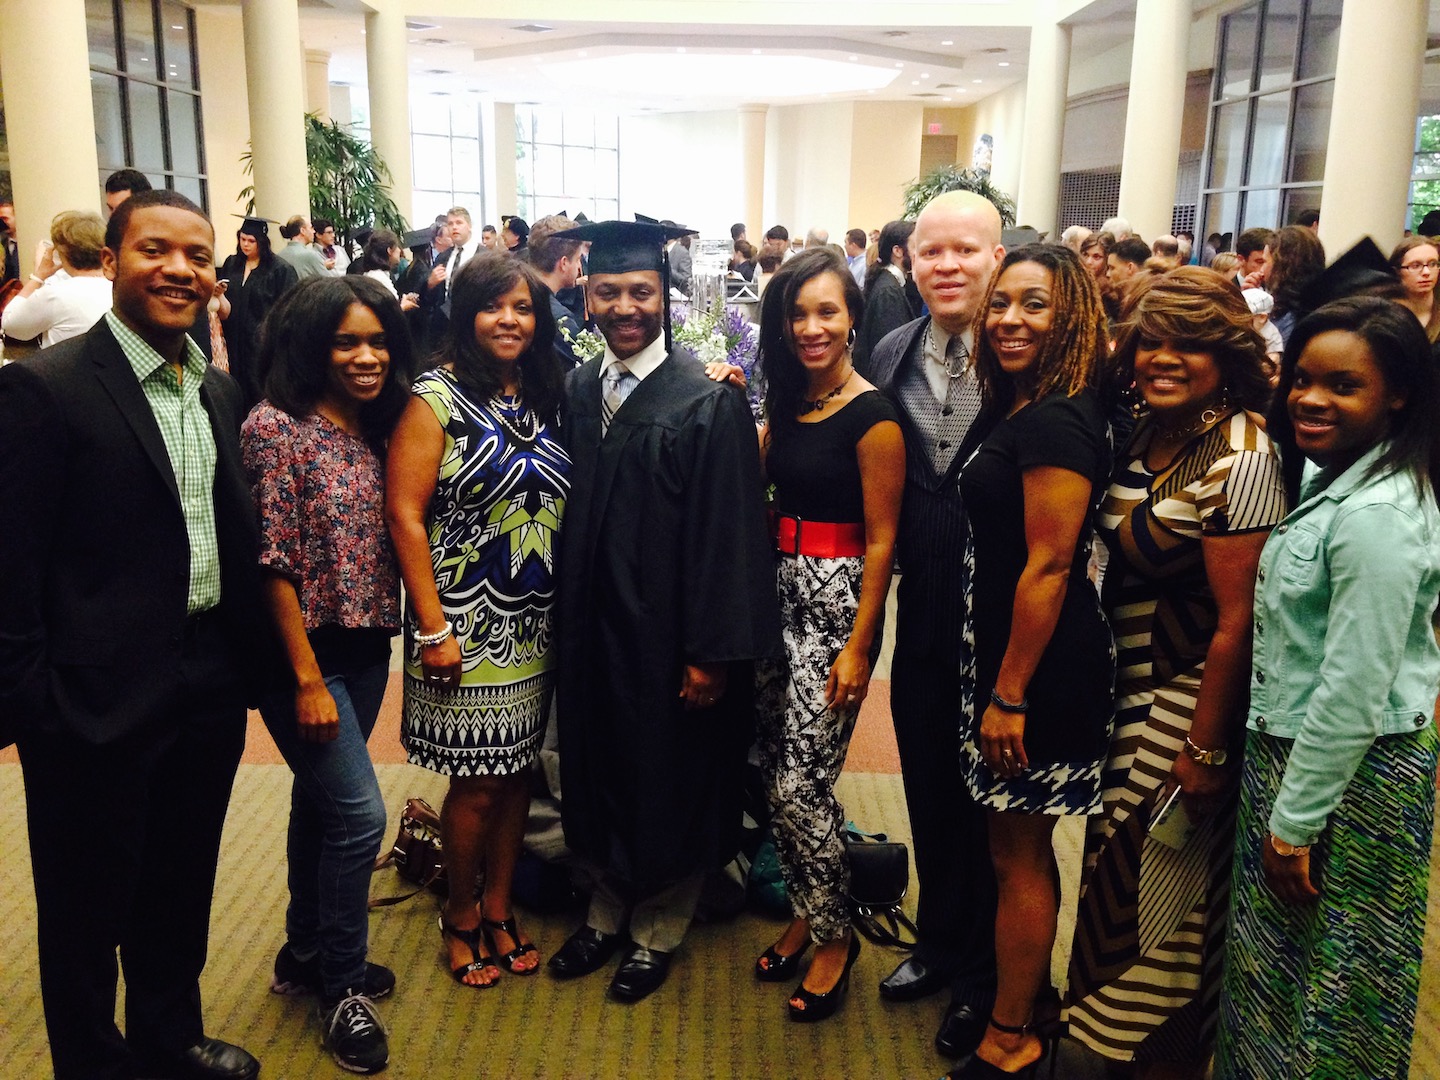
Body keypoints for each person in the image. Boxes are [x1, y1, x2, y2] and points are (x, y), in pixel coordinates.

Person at [0, 188, 273, 1080]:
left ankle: (168, 1033)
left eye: (197, 257)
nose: (179, 270)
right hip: (88, 699)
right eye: (155, 251)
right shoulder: (45, 389)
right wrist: (35, 706)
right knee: (84, 904)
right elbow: (10, 567)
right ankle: (91, 1061)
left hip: (201, 684)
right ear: (112, 261)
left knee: (180, 880)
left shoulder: (221, 391)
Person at [545, 218, 780, 1003]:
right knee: (601, 763)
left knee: (668, 773)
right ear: (587, 295)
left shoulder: (703, 402)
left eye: (640, 291)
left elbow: (727, 540)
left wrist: (711, 651)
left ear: (664, 297)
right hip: (592, 629)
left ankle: (657, 929)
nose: (624, 308)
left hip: (667, 635)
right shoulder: (582, 389)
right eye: (607, 292)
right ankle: (606, 912)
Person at [1066, 268, 1286, 1077]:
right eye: (1151, 340)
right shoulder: (1144, 428)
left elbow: (1239, 625)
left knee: (1155, 886)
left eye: (1186, 344)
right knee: (1113, 868)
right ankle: (1104, 1043)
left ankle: (1147, 1058)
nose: (1163, 358)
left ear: (1225, 354)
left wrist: (1206, 750)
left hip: (1184, 701)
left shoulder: (1243, 456)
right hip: (1125, 692)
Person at [1215, 297, 1440, 1079]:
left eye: (1344, 386)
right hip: (1301, 758)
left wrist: (1296, 822)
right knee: (1278, 970)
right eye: (1303, 379)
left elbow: (1353, 687)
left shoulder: (1379, 513)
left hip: (1354, 772)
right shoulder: (1336, 476)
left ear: (1399, 393)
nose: (1311, 399)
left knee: (1333, 990)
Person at [385, 252, 571, 990]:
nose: (510, 320)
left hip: (535, 620)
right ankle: (460, 913)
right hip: (463, 624)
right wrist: (432, 627)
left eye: (524, 308)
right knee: (478, 783)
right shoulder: (437, 396)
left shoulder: (545, 391)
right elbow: (403, 512)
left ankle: (499, 905)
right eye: (495, 307)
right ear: (466, 315)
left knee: (521, 770)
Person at [242, 276, 413, 1074]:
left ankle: (305, 949)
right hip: (300, 658)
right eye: (348, 341)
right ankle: (342, 987)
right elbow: (270, 564)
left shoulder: (381, 427)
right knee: (358, 817)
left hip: (366, 645)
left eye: (377, 339)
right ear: (312, 344)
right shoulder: (275, 428)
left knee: (320, 804)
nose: (367, 355)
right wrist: (306, 679)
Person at [952, 244, 1113, 1078]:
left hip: (1038, 670)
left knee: (1018, 854)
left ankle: (1010, 1037)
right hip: (1010, 656)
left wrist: (1009, 694)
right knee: (1012, 848)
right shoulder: (1026, 402)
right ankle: (1029, 1004)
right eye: (1002, 304)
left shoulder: (1056, 418)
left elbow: (1050, 566)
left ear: (1073, 317)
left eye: (1036, 306)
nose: (1011, 320)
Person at [867, 189, 1004, 1062]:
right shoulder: (889, 350)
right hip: (920, 614)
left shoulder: (1033, 354)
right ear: (909, 263)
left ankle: (988, 980)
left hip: (1003, 619)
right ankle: (942, 942)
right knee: (925, 782)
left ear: (999, 256)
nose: (947, 266)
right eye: (930, 252)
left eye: (966, 251)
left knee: (994, 804)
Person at [750, 249, 904, 1022]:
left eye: (827, 311)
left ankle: (837, 935)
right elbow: (749, 478)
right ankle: (807, 912)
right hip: (777, 590)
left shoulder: (873, 416)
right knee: (773, 767)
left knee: (801, 785)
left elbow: (884, 544)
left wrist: (859, 646)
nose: (812, 327)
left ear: (852, 318)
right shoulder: (790, 401)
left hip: (838, 602)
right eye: (798, 313)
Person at [218, 216, 298, 406]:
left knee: (258, 391)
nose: (245, 245)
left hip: (260, 344)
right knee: (232, 390)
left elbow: (288, 310)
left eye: (251, 241)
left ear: (261, 242)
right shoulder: (232, 264)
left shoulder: (280, 270)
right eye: (242, 239)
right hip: (232, 341)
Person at [1, 210, 112, 348]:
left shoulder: (56, 294)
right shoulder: (119, 288)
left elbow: (10, 324)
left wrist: (38, 276)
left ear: (62, 252)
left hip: (68, 369)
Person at [854, 218, 917, 377]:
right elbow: (890, 354)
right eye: (915, 246)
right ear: (898, 251)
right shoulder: (888, 291)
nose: (920, 252)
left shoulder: (889, 283)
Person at [1266, 225, 1326, 345]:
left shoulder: (1289, 318)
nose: (1261, 271)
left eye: (1264, 262)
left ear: (1280, 265)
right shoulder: (1320, 306)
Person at [1389, 234, 1440, 341]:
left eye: (1432, 264)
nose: (1426, 272)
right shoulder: (1383, 317)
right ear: (1397, 272)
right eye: (1415, 266)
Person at [358, 229, 419, 313]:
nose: (399, 250)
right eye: (397, 246)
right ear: (389, 250)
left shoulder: (377, 274)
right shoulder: (378, 278)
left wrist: (403, 299)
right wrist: (403, 307)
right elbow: (385, 314)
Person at [276, 215, 330, 280]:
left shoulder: (279, 256)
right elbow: (329, 284)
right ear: (302, 231)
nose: (314, 231)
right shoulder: (311, 255)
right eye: (311, 228)